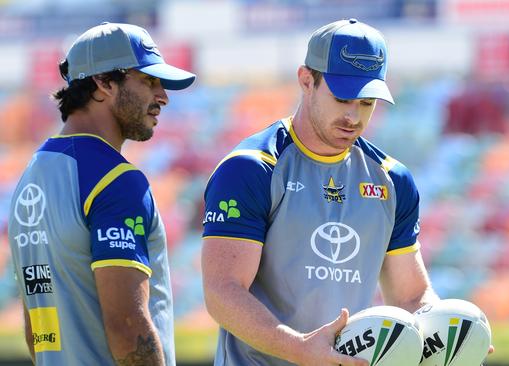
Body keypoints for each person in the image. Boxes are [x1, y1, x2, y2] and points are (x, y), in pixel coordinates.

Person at [201, 18, 438, 365]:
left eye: (367, 103)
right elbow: (222, 292)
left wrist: (447, 328)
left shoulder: (393, 180)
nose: (354, 116)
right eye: (343, 97)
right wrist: (299, 348)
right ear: (306, 80)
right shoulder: (251, 168)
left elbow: (411, 296)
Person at [8, 22, 195, 365]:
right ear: (104, 83)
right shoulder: (116, 180)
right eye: (149, 81)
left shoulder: (29, 179)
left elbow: (37, 333)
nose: (163, 97)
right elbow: (127, 326)